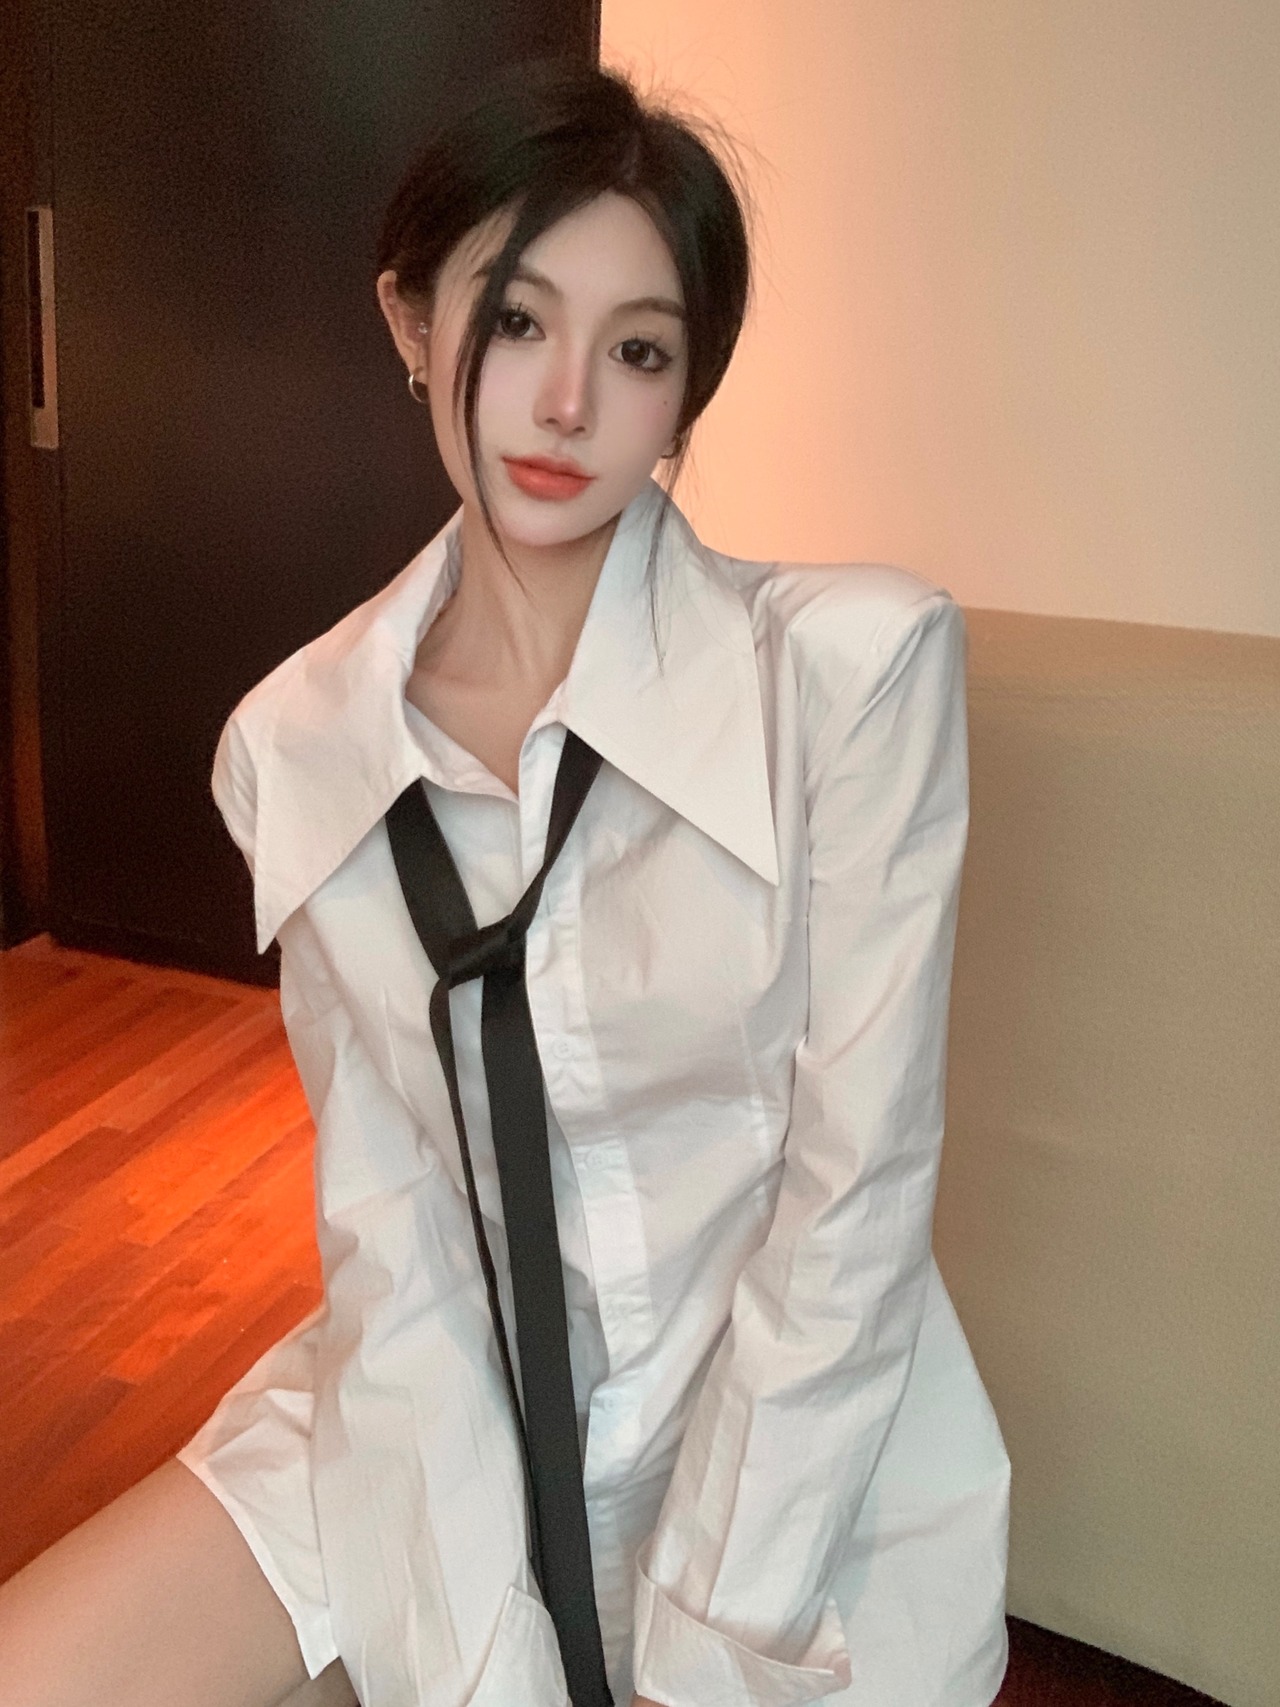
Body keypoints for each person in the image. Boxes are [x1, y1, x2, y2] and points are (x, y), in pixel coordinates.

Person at [0, 56, 1011, 1707]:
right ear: (413, 321)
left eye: (638, 351)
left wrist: (706, 1652)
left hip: (780, 1456)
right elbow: (397, 1234)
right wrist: (484, 1662)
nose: (565, 406)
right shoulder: (303, 744)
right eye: (519, 320)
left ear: (686, 393)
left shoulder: (851, 680)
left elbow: (855, 1206)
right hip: (439, 1407)